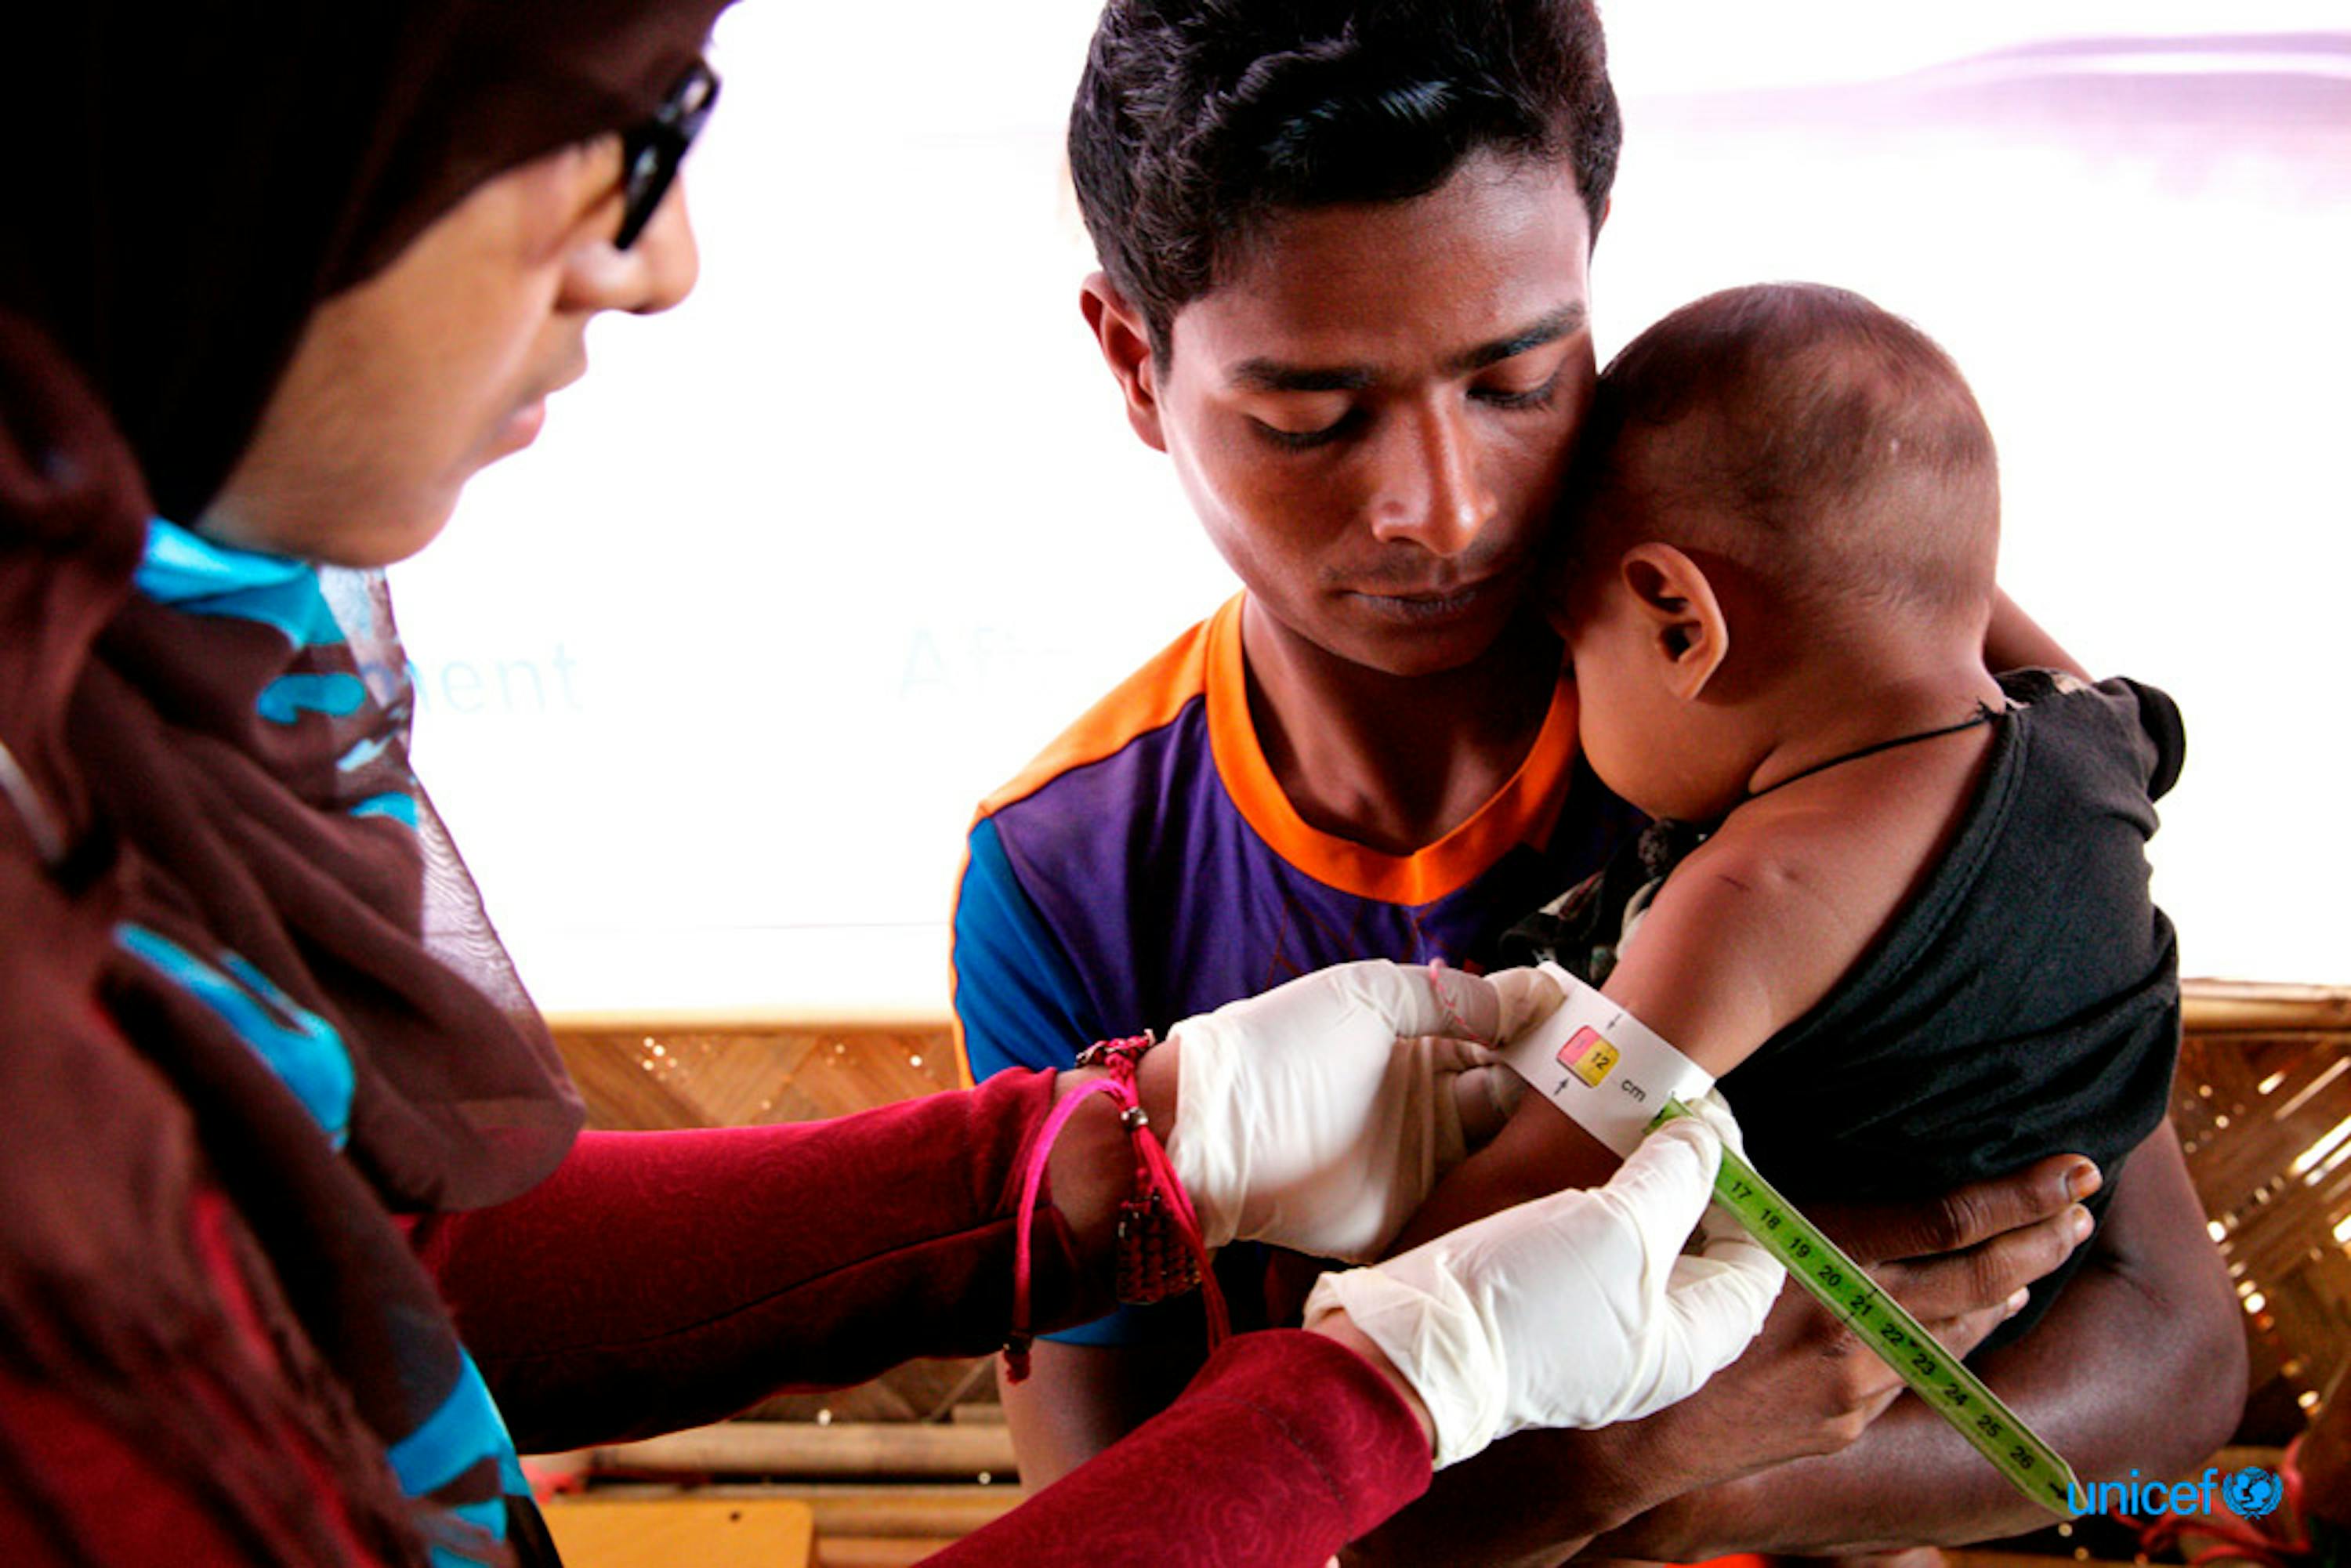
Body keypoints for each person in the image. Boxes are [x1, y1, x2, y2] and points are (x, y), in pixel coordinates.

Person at [0, 7, 1805, 1566]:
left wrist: (1127, 1145)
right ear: (201, 141)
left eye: (1517, 374)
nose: (658, 258)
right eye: (585, 133)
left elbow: (388, 1251)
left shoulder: (109, 683)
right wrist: (1416, 1399)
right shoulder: (1073, 865)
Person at [947, 0, 2244, 1555]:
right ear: (1135, 366)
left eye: (1518, 378)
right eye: (1314, 414)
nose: (1444, 504)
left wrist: (1746, 1477)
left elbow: (2173, 1352)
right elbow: (1113, 1526)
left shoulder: (1797, 694)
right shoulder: (1070, 880)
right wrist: (1609, 1469)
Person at [1386, 281, 2186, 1337]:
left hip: (1820, 1373)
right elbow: (1947, 593)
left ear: (1679, 625)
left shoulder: (1755, 899)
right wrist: (1880, 526)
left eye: (1576, 650)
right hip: (2052, 1314)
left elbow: (1526, 1190)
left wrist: (1353, 1274)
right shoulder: (2092, 741)